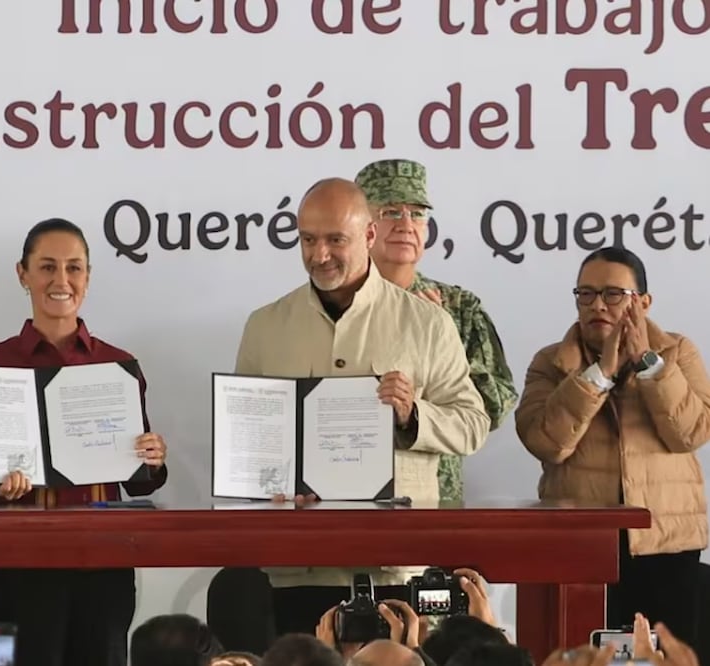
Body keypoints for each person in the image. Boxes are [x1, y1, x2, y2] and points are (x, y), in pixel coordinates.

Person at [234, 178, 489, 637]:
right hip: (299, 565)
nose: (320, 255)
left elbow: (472, 424)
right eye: (308, 239)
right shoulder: (265, 325)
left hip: (394, 562)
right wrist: (271, 482)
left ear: (369, 235)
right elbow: (248, 443)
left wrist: (413, 415)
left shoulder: (426, 322)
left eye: (336, 240)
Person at [0, 217, 168, 666]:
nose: (62, 281)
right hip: (18, 567)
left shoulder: (118, 364)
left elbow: (138, 482)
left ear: (88, 276)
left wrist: (152, 459)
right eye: (47, 267)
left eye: (74, 268)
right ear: (22, 274)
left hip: (103, 567)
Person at [515, 246, 710, 647]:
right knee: (579, 653)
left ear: (643, 302)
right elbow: (546, 442)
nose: (598, 305)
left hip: (666, 541)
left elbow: (691, 432)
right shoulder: (551, 362)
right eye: (586, 294)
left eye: (613, 294)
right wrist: (599, 373)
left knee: (666, 657)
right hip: (580, 545)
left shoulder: (678, 352)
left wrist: (650, 364)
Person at [355, 158, 517, 502]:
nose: (406, 225)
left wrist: (445, 343)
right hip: (348, 495)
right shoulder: (341, 305)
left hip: (436, 497)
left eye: (417, 214)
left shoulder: (459, 308)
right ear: (363, 227)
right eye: (390, 212)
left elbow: (496, 407)